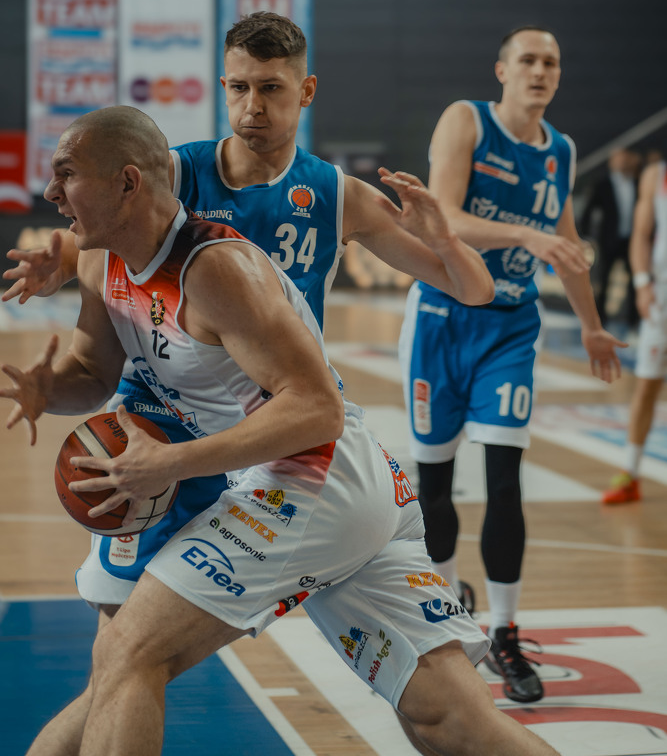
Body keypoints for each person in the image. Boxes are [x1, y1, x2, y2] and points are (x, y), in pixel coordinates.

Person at [1, 106, 561, 756]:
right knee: (454, 723)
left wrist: (170, 463)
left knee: (128, 653)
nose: (50, 192)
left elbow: (316, 411)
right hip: (344, 489)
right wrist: (50, 390)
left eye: (66, 173)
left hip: (310, 478)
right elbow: (93, 371)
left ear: (128, 183)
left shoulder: (216, 269)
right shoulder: (103, 263)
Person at [398, 26, 626, 706]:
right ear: (502, 70)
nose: (539, 70)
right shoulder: (466, 120)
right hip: (441, 319)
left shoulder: (560, 150)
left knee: (504, 479)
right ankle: (445, 616)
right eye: (527, 59)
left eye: (550, 61)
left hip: (509, 327)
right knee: (434, 481)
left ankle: (504, 630)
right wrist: (529, 233)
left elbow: (566, 246)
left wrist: (592, 326)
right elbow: (443, 218)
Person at [602, 156, 667, 504]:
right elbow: (640, 236)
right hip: (662, 295)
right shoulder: (657, 175)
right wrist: (642, 284)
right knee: (647, 383)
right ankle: (631, 472)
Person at [579, 148, 641, 329]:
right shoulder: (603, 184)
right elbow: (588, 211)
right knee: (604, 278)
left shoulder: (636, 183)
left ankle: (633, 319)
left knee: (634, 279)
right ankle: (600, 318)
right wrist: (585, 236)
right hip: (609, 240)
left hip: (631, 240)